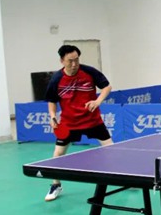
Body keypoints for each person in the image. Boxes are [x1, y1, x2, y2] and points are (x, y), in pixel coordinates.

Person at [43, 45, 114, 201]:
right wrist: (52, 116)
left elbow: (107, 86)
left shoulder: (89, 71)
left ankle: (127, 179)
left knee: (112, 149)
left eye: (76, 60)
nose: (74, 64)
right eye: (70, 61)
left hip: (92, 120)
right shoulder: (56, 79)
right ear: (62, 61)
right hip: (69, 123)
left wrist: (98, 101)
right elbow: (52, 101)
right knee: (58, 154)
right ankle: (56, 184)